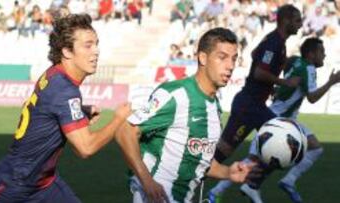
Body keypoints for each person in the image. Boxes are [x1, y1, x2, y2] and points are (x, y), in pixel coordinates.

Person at [0, 14, 131, 203]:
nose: (96, 51)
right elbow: (85, 148)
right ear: (67, 51)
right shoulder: (65, 89)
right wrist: (119, 118)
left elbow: (40, 106)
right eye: (88, 45)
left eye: (96, 44)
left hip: (44, 185)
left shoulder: (54, 74)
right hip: (13, 187)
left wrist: (79, 111)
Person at [115, 27, 253, 203]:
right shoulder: (176, 95)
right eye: (222, 57)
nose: (231, 66)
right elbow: (125, 131)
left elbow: (197, 160)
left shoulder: (214, 106)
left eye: (234, 59)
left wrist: (228, 172)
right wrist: (147, 180)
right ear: (203, 58)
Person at [209, 38, 340, 203]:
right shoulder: (308, 68)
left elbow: (269, 61)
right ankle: (217, 191)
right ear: (311, 54)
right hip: (278, 119)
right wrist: (331, 82)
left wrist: (279, 88)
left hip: (285, 118)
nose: (324, 55)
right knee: (257, 160)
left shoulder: (296, 62)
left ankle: (285, 181)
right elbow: (312, 98)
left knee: (313, 148)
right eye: (321, 52)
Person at [211, 4, 302, 193]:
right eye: (297, 20)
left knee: (226, 151)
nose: (300, 25)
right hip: (249, 105)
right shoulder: (274, 42)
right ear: (286, 20)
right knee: (282, 136)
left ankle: (248, 183)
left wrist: (269, 88)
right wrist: (285, 82)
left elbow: (255, 55)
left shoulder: (274, 41)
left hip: (253, 105)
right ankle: (189, 174)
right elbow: (260, 72)